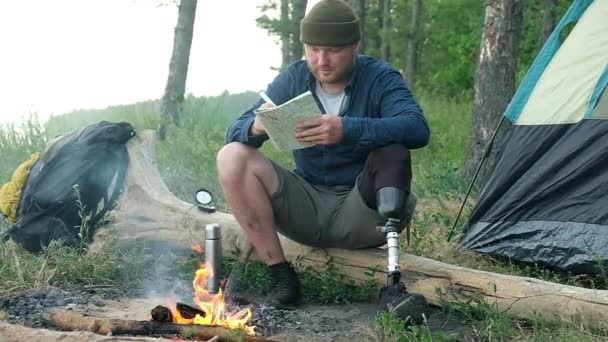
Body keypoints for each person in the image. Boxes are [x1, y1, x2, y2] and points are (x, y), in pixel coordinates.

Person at [217, 0, 430, 317]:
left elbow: (417, 128)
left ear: (354, 45)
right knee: (232, 155)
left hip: (363, 211)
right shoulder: (293, 78)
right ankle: (282, 279)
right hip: (306, 208)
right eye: (313, 49)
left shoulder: (380, 77)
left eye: (333, 50)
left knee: (393, 149)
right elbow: (235, 129)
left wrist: (348, 129)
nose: (322, 60)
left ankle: (393, 285)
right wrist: (257, 125)